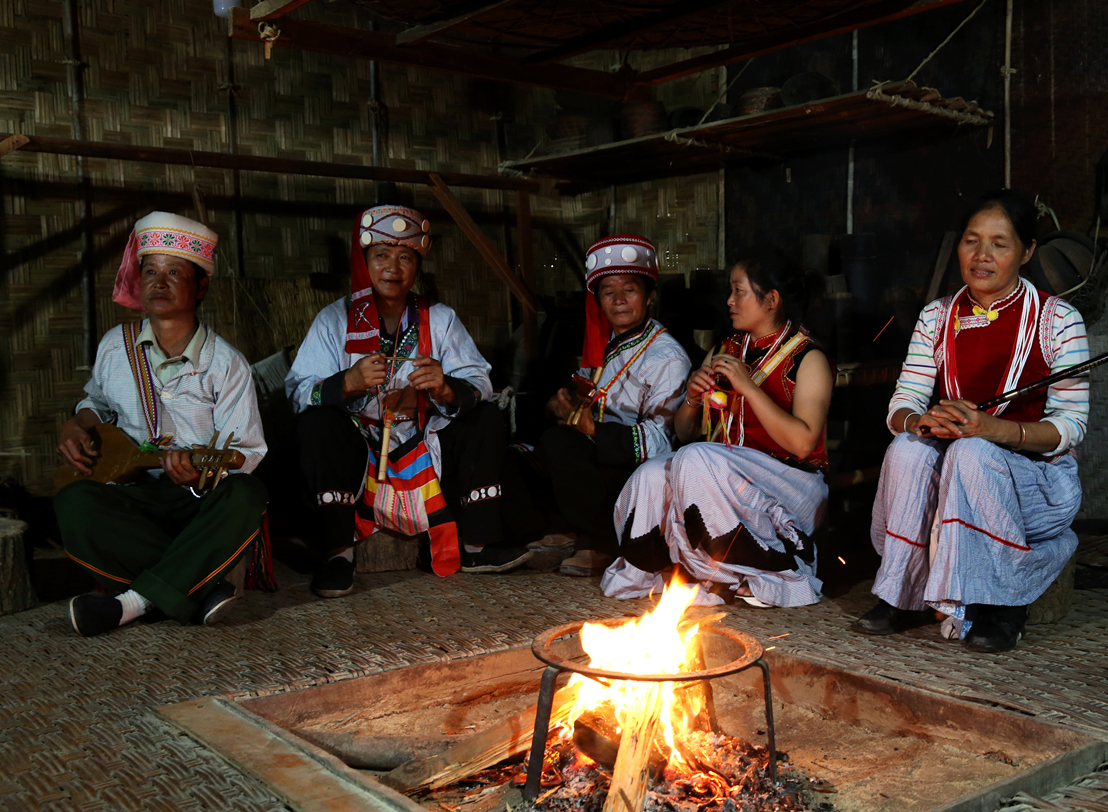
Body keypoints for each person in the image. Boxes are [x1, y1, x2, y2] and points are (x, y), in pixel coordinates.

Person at [855, 190, 1090, 653]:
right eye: (971, 241)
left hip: (1036, 482)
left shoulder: (1059, 319)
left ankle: (1002, 603)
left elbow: (1071, 426)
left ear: (1027, 251)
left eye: (1000, 244)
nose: (982, 256)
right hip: (957, 468)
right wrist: (921, 423)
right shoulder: (936, 316)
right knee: (906, 447)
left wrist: (990, 429)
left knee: (972, 451)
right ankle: (905, 593)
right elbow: (903, 402)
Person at [286, 205, 528, 598]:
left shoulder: (440, 319)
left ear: (417, 266)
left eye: (405, 257)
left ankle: (477, 547)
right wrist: (345, 382)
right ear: (365, 262)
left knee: (484, 415)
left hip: (423, 445)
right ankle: (338, 557)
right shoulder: (335, 319)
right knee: (316, 424)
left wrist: (446, 389)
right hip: (360, 448)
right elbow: (298, 392)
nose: (392, 268)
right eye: (381, 255)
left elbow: (479, 380)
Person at [55, 212, 269, 637]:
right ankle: (195, 588)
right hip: (133, 496)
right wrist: (75, 424)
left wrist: (198, 470)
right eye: (150, 271)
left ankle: (130, 604)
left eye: (175, 272)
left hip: (196, 502)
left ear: (201, 286)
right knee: (74, 502)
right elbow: (95, 402)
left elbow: (247, 451)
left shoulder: (226, 364)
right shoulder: (116, 346)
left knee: (247, 494)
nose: (159, 282)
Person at [602, 256, 834, 607]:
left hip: (791, 484)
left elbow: (803, 444)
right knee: (652, 472)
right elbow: (684, 432)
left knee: (695, 458)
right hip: (721, 477)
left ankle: (754, 571)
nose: (729, 301)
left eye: (739, 292)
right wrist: (693, 399)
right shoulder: (726, 350)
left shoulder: (807, 358)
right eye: (730, 291)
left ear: (771, 300)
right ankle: (650, 568)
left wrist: (750, 387)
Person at [509, 234, 690, 576]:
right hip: (592, 457)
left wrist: (592, 429)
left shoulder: (666, 356)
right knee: (517, 456)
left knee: (560, 445)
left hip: (635, 470)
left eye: (630, 290)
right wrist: (562, 404)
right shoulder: (603, 342)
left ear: (649, 297)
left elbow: (663, 441)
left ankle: (602, 541)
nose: (619, 300)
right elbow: (584, 392)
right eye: (608, 292)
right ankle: (568, 528)